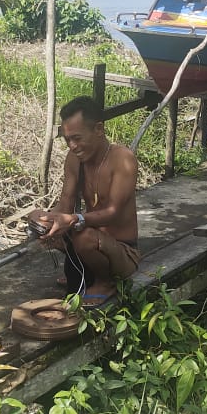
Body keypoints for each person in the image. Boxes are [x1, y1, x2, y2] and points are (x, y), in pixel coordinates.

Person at [27, 96, 140, 307]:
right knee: (44, 223)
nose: (72, 146)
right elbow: (65, 203)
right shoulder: (74, 160)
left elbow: (113, 212)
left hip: (122, 251)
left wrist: (74, 219)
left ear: (99, 129)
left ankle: (105, 282)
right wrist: (46, 219)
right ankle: (83, 267)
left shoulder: (123, 159)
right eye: (67, 140)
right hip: (88, 236)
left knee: (84, 237)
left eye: (77, 138)